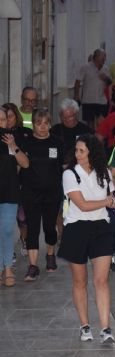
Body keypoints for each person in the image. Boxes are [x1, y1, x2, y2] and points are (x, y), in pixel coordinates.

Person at [58, 134, 115, 343]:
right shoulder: (70, 174)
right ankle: (84, 326)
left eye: (81, 151)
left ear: (92, 152)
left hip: (101, 228)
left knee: (102, 280)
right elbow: (83, 205)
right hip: (76, 228)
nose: (77, 154)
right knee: (80, 281)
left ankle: (106, 328)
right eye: (76, 150)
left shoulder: (104, 172)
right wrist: (108, 201)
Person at [20, 109, 64, 281]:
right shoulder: (26, 143)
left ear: (50, 124)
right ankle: (33, 266)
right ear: (33, 125)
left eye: (46, 123)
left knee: (49, 227)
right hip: (30, 193)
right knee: (32, 228)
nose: (43, 127)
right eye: (39, 123)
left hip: (52, 193)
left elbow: (63, 166)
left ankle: (50, 255)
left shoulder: (57, 142)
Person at [0, 107, 29, 287]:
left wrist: (13, 146)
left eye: (3, 120)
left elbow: (25, 164)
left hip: (9, 191)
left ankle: (8, 268)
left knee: (7, 230)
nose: (1, 123)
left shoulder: (13, 140)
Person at [74, 49, 111, 129]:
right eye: (103, 57)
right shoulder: (85, 67)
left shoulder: (106, 68)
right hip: (88, 100)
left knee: (101, 122)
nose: (104, 59)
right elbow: (77, 82)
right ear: (96, 57)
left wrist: (106, 79)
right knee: (89, 123)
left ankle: (100, 139)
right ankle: (91, 139)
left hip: (101, 100)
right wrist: (76, 95)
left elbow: (109, 83)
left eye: (105, 57)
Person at [50, 98, 93, 164]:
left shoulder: (86, 131)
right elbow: (52, 154)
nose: (67, 120)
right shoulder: (54, 130)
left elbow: (91, 153)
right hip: (60, 167)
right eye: (64, 117)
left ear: (76, 115)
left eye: (70, 117)